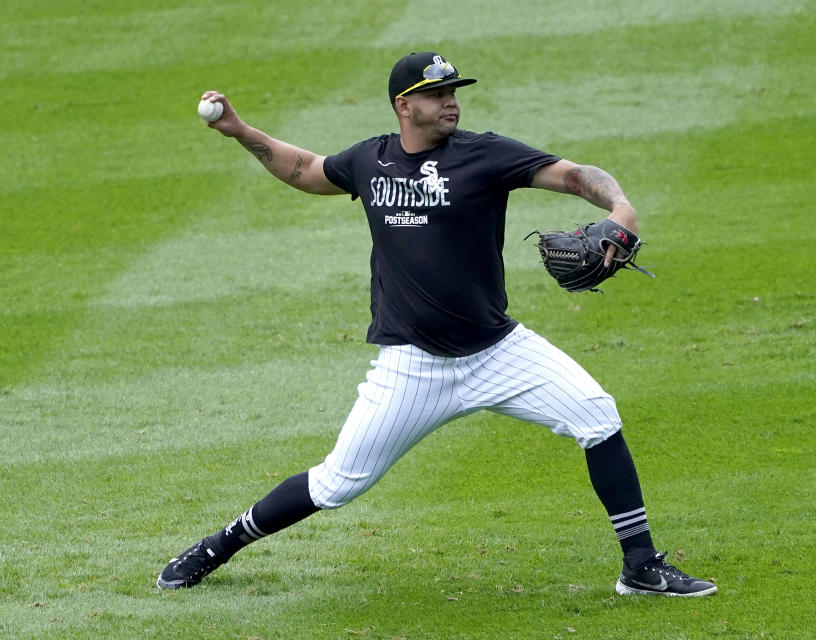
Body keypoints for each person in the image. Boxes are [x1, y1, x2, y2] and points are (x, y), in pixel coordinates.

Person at [157, 51, 716, 597]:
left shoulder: (486, 155)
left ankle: (641, 566)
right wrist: (238, 130)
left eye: (453, 93)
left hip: (498, 351)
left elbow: (574, 176)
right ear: (404, 106)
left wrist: (620, 208)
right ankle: (215, 547)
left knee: (598, 417)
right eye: (438, 94)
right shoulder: (368, 161)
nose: (451, 104)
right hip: (413, 366)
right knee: (335, 484)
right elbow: (305, 169)